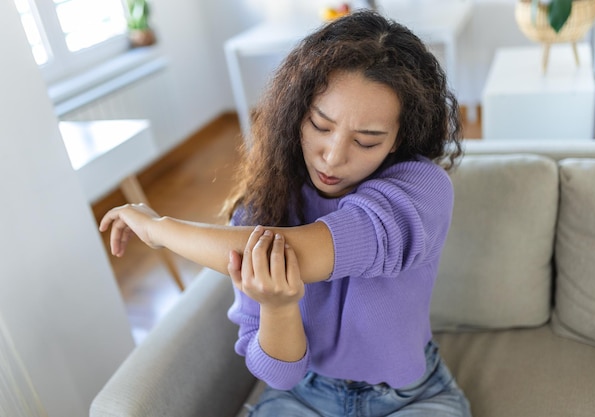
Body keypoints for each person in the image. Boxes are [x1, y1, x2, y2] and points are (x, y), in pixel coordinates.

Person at [99, 9, 470, 417]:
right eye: (320, 125)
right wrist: (277, 307)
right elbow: (279, 375)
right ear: (296, 113)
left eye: (366, 141)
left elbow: (303, 252)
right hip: (305, 395)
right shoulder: (263, 206)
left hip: (412, 397)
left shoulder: (422, 189)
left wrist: (160, 230)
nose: (333, 157)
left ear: (400, 138)